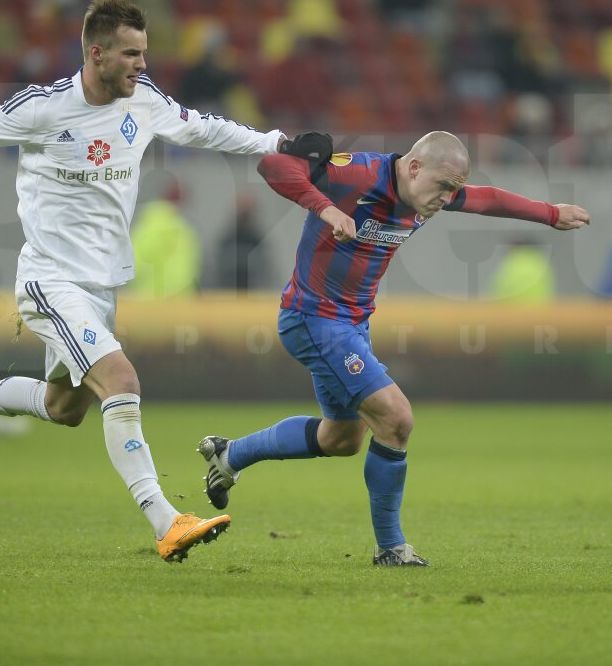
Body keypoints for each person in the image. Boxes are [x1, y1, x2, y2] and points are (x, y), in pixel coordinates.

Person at [0, 0, 331, 563]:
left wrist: (279, 144)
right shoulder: (43, 107)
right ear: (96, 52)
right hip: (49, 279)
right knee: (122, 380)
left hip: (102, 284)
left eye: (144, 53)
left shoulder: (146, 100)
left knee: (65, 407)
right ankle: (166, 520)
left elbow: (206, 129)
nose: (141, 64)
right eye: (131, 54)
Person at [197, 131, 590, 566]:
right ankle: (391, 547)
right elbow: (274, 165)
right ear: (415, 167)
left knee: (342, 438)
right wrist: (325, 208)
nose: (447, 198)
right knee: (397, 418)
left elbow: (487, 198)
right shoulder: (360, 174)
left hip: (352, 325)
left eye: (452, 190)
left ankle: (230, 454)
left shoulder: (428, 193)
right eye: (443, 187)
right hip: (314, 319)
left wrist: (550, 214)